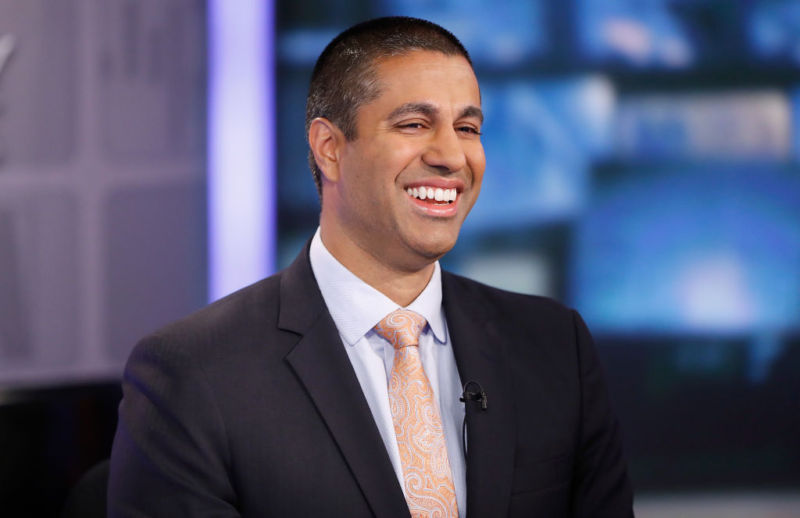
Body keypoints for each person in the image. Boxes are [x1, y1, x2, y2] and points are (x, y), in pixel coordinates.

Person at [108, 16, 634, 517]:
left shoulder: (553, 346)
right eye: (414, 123)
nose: (452, 155)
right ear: (330, 148)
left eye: (468, 128)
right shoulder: (193, 375)